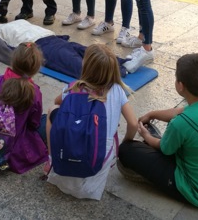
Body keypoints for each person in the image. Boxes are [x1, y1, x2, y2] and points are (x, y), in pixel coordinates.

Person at [118, 53, 198, 208]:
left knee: (126, 150)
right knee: (173, 136)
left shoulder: (181, 123)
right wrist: (152, 114)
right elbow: (179, 111)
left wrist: (146, 136)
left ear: (180, 86)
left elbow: (164, 149)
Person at [46, 44, 138, 200]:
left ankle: (50, 159)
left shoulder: (74, 88)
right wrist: (126, 142)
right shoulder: (117, 90)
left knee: (52, 110)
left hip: (65, 168)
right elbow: (133, 124)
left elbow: (57, 102)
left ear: (86, 66)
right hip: (96, 169)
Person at [0, 42, 48, 174]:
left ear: (13, 61)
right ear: (36, 68)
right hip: (16, 144)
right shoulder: (34, 91)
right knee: (48, 119)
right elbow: (34, 122)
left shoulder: (0, 80)